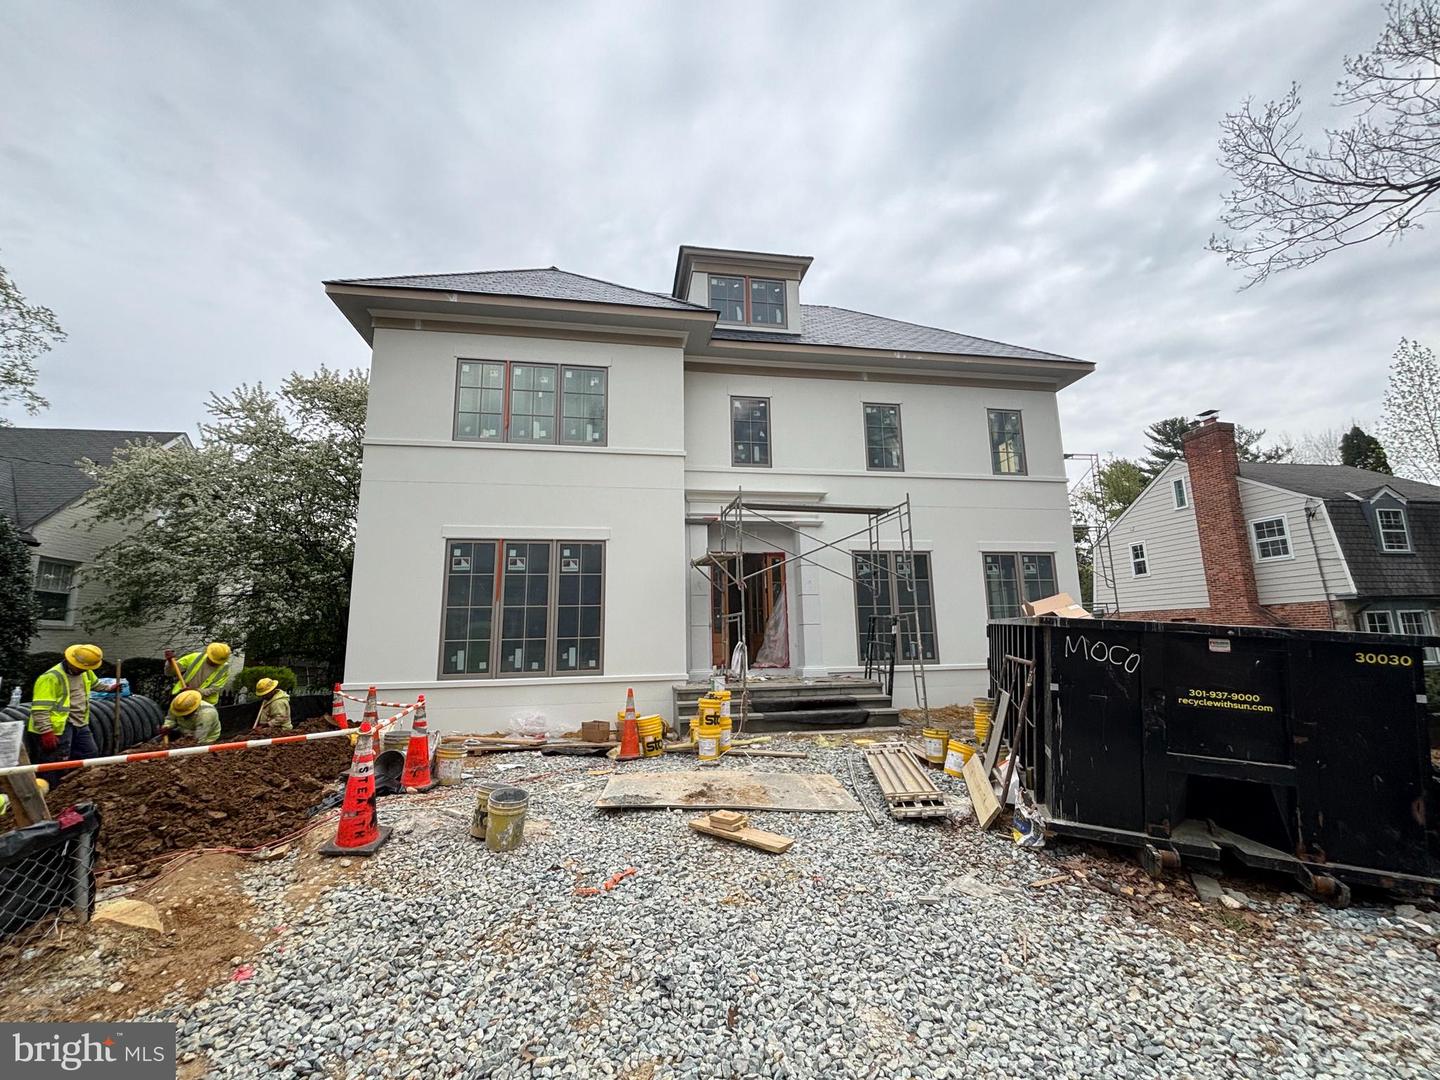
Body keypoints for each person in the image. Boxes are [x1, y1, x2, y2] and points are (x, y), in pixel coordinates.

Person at [26, 644, 104, 764]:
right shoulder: (51, 678)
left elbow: (95, 684)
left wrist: (110, 688)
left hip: (80, 722)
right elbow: (40, 708)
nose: (83, 670)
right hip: (58, 727)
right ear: (71, 661)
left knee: (89, 754)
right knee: (57, 761)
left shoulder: (86, 672)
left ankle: (78, 776)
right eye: (81, 668)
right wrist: (46, 731)